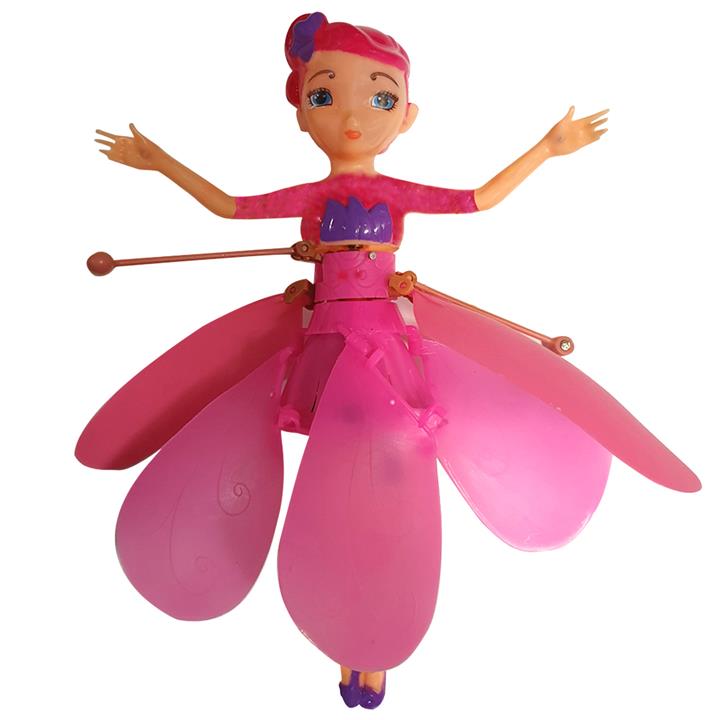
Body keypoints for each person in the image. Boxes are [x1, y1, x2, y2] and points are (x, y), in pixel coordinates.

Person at [79, 12, 699, 710]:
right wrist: (159, 162)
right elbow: (230, 208)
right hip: (324, 345)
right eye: (325, 96)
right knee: (353, 471)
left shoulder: (396, 195)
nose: (352, 118)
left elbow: (476, 199)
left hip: (381, 346)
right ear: (301, 113)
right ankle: (359, 633)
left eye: (379, 98)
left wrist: (547, 149)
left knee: (378, 467)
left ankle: (367, 636)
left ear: (407, 116)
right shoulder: (312, 200)